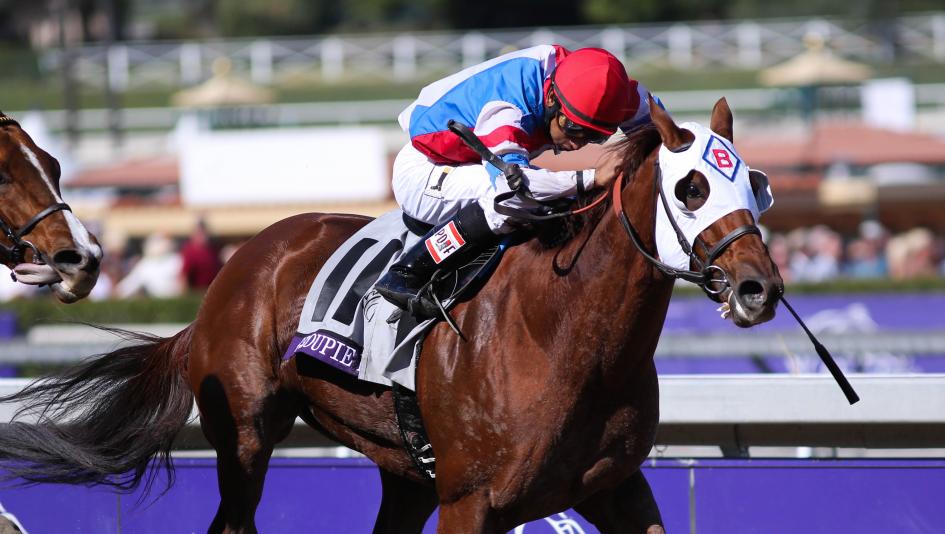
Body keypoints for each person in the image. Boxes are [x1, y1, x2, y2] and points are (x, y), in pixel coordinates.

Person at [375, 44, 654, 312]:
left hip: (473, 161)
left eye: (596, 136)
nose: (579, 142)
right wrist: (591, 177)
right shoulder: (506, 109)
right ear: (550, 98)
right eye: (572, 127)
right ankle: (407, 271)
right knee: (514, 201)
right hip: (426, 171)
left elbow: (660, 130)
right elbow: (515, 187)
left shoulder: (599, 86)